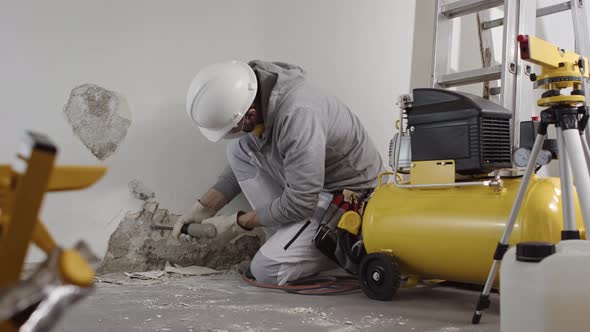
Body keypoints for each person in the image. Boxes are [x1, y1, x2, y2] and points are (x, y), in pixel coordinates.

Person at [174, 60, 383, 285]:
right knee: (238, 149)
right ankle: (286, 241)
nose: (229, 134)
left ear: (250, 114)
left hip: (351, 197)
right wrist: (203, 208)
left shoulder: (298, 115)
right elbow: (241, 166)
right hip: (315, 188)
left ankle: (334, 254)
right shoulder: (256, 98)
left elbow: (301, 202)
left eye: (230, 129)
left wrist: (237, 223)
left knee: (266, 270)